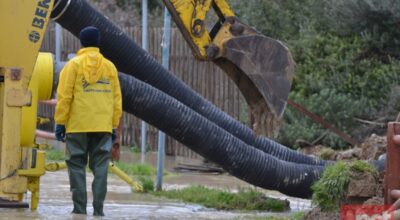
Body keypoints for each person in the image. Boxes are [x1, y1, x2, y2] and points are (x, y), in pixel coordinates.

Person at [54, 26, 122, 216]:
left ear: (81, 42)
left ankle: (79, 209)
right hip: (103, 126)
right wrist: (113, 125)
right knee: (101, 166)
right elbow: (117, 100)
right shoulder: (110, 67)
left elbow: (64, 96)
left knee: (76, 165)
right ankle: (99, 211)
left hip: (78, 126)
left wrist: (60, 122)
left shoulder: (73, 65)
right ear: (98, 42)